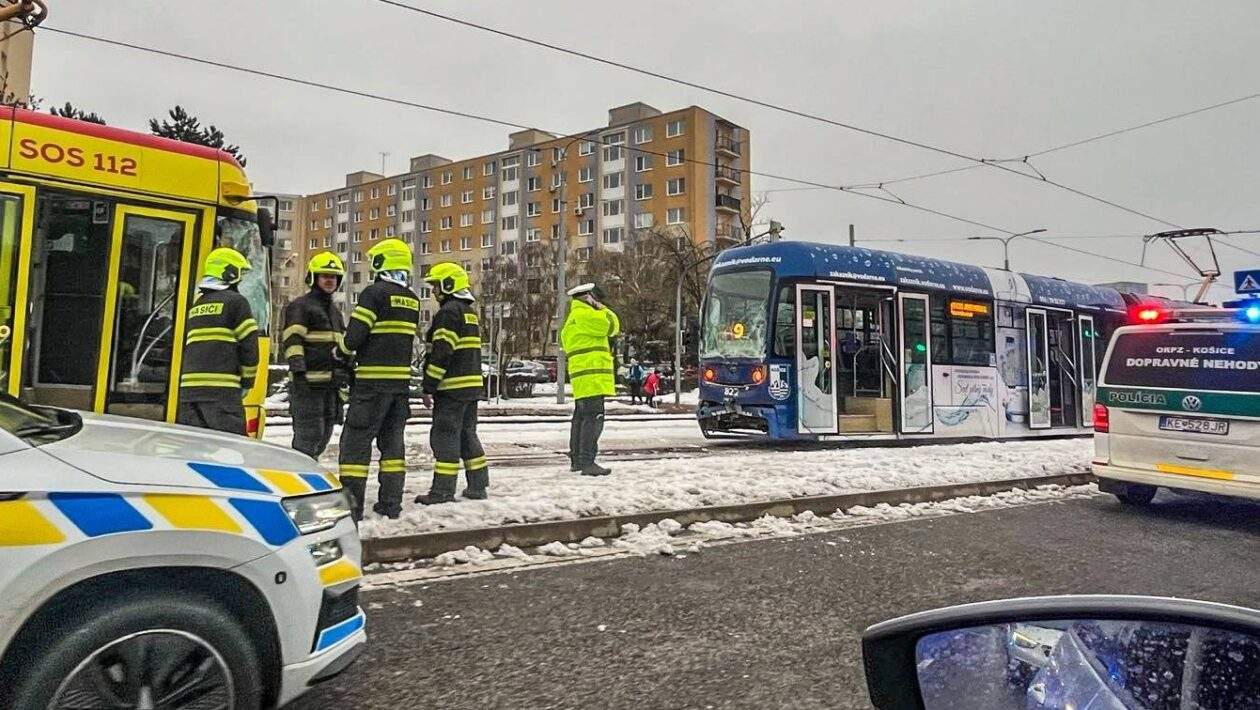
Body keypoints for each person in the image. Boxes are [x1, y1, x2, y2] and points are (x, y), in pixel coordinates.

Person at [335, 238, 419, 521]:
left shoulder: (374, 294)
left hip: (371, 385)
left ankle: (351, 507)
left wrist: (341, 351)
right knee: (393, 446)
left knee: (355, 444)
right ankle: (390, 504)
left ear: (382, 262)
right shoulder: (412, 300)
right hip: (399, 387)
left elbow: (356, 334)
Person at [414, 262, 488, 504]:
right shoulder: (469, 312)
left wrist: (429, 386)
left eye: (436, 286)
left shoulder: (449, 312)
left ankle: (442, 491)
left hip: (452, 388)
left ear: (448, 285)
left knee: (444, 437)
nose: (434, 291)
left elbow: (442, 351)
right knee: (468, 435)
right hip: (471, 388)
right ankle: (478, 486)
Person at [176, 247, 259, 435]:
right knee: (231, 450)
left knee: (196, 449)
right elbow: (249, 347)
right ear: (230, 272)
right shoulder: (236, 302)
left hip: (189, 395)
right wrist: (247, 382)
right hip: (221, 394)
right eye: (240, 274)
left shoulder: (197, 305)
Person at [282, 252, 347, 459]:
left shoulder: (335, 312)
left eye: (334, 277)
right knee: (308, 438)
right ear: (313, 278)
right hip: (307, 386)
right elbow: (293, 340)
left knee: (324, 435)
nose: (330, 280)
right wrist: (298, 371)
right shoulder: (300, 306)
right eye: (324, 276)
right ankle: (298, 480)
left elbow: (341, 347)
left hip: (330, 387)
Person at [561, 282, 620, 476]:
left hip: (583, 376)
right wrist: (602, 308)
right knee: (594, 418)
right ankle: (588, 462)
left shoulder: (572, 318)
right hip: (592, 375)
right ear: (588, 298)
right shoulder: (587, 315)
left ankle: (577, 460)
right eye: (595, 298)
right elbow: (612, 326)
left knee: (580, 417)